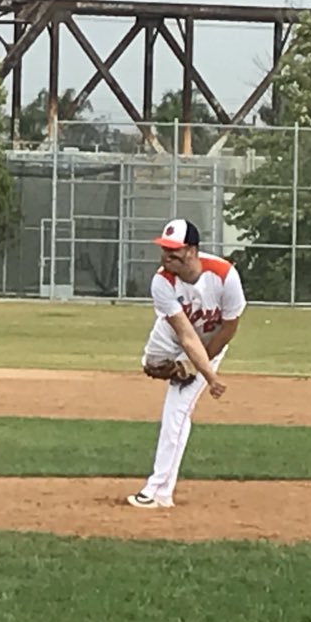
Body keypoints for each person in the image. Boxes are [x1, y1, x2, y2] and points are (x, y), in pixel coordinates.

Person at [127, 218, 247, 509]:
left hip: (210, 344)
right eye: (164, 249)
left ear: (192, 251)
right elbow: (183, 332)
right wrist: (187, 362)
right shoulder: (162, 281)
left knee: (176, 411)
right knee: (152, 363)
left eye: (174, 250)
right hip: (171, 336)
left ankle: (157, 491)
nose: (167, 256)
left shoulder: (224, 275)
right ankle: (162, 491)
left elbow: (229, 327)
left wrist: (204, 371)